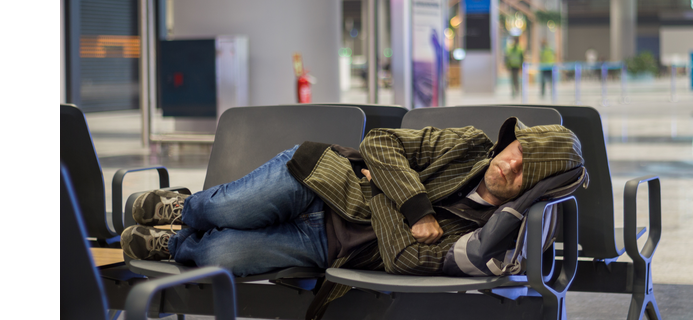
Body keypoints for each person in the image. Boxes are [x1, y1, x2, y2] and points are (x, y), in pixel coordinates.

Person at [121, 117, 584, 285]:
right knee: (224, 211)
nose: (510, 165)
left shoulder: (487, 235)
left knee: (223, 253)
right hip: (321, 179)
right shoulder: (465, 143)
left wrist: (385, 187)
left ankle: (175, 245)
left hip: (333, 245)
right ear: (509, 141)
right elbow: (381, 142)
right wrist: (416, 211)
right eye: (517, 151)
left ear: (534, 191)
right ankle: (185, 209)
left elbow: (403, 258)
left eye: (528, 173)